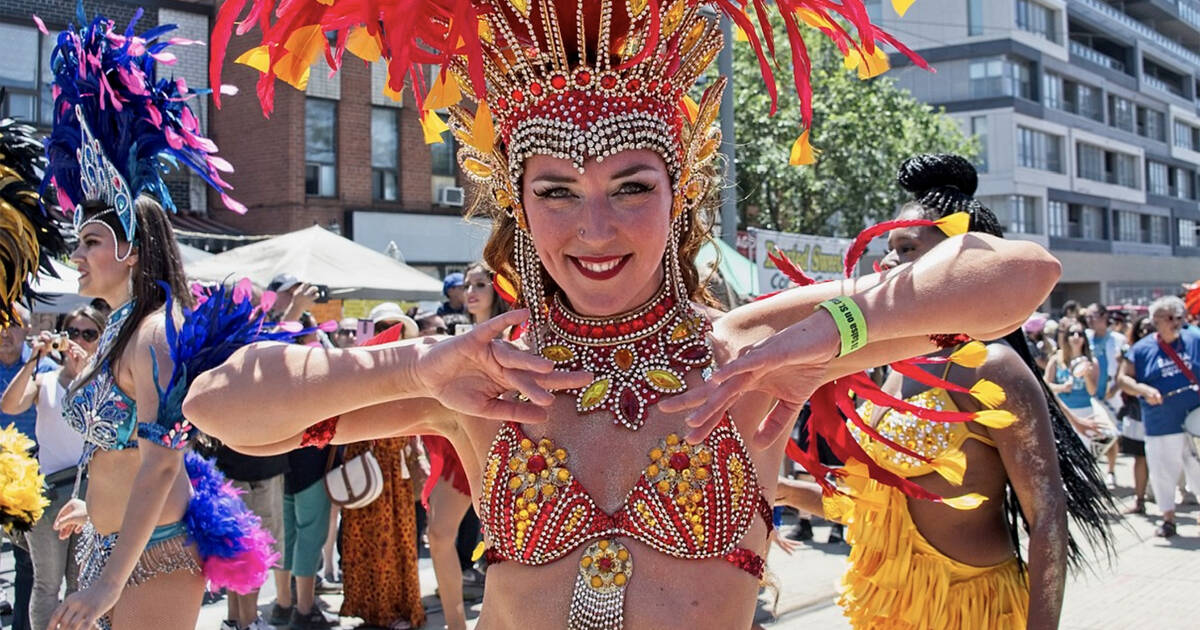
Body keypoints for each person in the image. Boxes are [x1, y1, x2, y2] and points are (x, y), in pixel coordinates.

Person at [194, 3, 1063, 627]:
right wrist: (411, 368)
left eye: (631, 187)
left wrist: (839, 328)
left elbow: (1020, 274)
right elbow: (221, 406)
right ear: (517, 204)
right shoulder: (479, 381)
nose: (595, 228)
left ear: (681, 194)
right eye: (558, 191)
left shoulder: (748, 354)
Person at [772, 154, 1113, 628]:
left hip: (970, 611)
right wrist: (787, 491)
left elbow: (1048, 516)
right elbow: (875, 506)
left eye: (907, 248)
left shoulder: (992, 368)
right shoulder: (893, 370)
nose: (886, 261)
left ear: (961, 260)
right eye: (887, 248)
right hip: (884, 611)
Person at [41, 11, 266, 630]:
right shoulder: (116, 326)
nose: (76, 256)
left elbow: (165, 460)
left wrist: (109, 585)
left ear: (133, 250)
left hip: (156, 551)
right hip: (110, 544)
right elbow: (113, 446)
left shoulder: (155, 331)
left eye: (89, 242)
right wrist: (91, 503)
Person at [1, 306, 103, 630]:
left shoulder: (105, 381)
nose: (80, 341)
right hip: (51, 494)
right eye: (73, 333)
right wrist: (33, 358)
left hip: (92, 493)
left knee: (81, 583)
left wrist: (88, 371)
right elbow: (10, 405)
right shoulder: (44, 380)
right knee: (46, 584)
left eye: (90, 334)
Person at [339, 323, 426, 630]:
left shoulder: (409, 370)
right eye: (384, 328)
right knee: (367, 540)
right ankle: (371, 607)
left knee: (396, 539)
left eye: (395, 329)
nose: (391, 334)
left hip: (393, 468)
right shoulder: (360, 370)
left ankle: (396, 607)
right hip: (368, 464)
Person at [1118, 296, 1200, 537]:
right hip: (1161, 422)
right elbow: (1123, 379)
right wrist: (1143, 390)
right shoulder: (1142, 349)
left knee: (1198, 470)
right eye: (1169, 318)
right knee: (1163, 471)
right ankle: (1168, 518)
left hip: (1195, 421)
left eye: (1179, 317)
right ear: (1155, 321)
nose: (1176, 322)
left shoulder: (1195, 337)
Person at [0, 305, 59, 630]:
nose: (5, 333)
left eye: (13, 326)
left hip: (31, 478)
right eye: (1, 325)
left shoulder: (45, 368)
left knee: (27, 563)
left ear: (27, 330)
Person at [213, 442, 289, 630]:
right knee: (252, 551)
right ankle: (249, 622)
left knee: (234, 549)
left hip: (231, 465)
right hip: (256, 469)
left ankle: (235, 621)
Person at [1117, 316, 1155, 515]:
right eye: (1143, 330)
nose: (1146, 333)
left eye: (1151, 329)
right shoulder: (1131, 352)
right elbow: (1122, 379)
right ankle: (1139, 499)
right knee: (1140, 456)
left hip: (1168, 411)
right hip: (1138, 411)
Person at [1086, 303, 1127, 487]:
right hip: (1088, 395)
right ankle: (1090, 472)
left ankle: (1111, 471)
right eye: (1087, 317)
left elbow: (1124, 368)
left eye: (1092, 316)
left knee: (1110, 434)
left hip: (1110, 394)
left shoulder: (1118, 340)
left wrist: (1117, 388)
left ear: (1103, 317)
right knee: (1091, 433)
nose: (1089, 320)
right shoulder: (1086, 338)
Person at [1045, 319, 1099, 433]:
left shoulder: (1091, 361)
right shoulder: (1056, 360)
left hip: (1085, 411)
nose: (1076, 337)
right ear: (1066, 338)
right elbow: (1045, 385)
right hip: (1062, 411)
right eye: (1072, 333)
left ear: (1084, 339)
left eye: (1080, 334)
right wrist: (1062, 388)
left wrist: (1087, 375)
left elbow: (1092, 391)